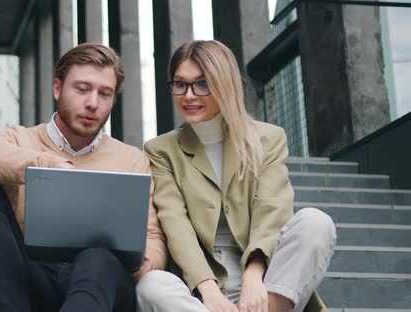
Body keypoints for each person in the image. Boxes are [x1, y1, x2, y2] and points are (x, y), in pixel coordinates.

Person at [0, 42, 167, 312]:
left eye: (105, 93)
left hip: (103, 285)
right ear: (57, 88)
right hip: (33, 278)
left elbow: (154, 237)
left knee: (97, 256)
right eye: (82, 89)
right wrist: (45, 164)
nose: (92, 103)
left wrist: (145, 263)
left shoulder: (132, 159)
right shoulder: (22, 139)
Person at [136, 40, 336, 312]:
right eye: (179, 84)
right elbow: (175, 224)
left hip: (267, 285)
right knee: (151, 285)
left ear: (224, 84)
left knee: (315, 222)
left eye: (202, 84)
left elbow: (273, 209)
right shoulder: (160, 150)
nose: (189, 95)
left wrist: (254, 275)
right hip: (202, 295)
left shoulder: (268, 138)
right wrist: (209, 291)